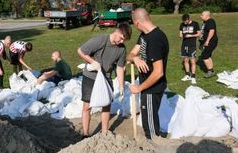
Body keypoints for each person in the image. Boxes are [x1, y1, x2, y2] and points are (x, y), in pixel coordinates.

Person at [77, 23, 132, 138]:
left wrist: (121, 86)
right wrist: (92, 62)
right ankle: (85, 134)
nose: (122, 41)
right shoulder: (100, 40)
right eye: (121, 38)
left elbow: (120, 67)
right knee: (87, 106)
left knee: (106, 105)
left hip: (106, 78)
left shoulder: (121, 49)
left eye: (124, 40)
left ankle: (104, 133)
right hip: (91, 76)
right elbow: (81, 51)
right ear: (117, 32)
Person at [127, 8, 169, 140]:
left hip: (152, 88)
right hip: (146, 86)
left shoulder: (156, 39)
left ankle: (154, 150)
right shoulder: (144, 36)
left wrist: (138, 88)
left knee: (150, 126)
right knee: (147, 118)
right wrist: (136, 58)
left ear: (137, 23)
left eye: (134, 23)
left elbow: (158, 72)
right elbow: (130, 55)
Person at [179, 14, 201, 84]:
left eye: (186, 21)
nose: (184, 23)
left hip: (192, 45)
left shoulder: (195, 24)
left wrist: (190, 35)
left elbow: (199, 34)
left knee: (193, 61)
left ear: (188, 19)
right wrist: (181, 35)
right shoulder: (182, 24)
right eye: (183, 21)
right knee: (185, 60)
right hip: (184, 45)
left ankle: (193, 77)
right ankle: (188, 75)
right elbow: (180, 34)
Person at [199, 11, 218, 78]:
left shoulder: (210, 21)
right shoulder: (205, 22)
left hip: (211, 42)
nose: (201, 16)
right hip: (206, 42)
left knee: (204, 56)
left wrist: (207, 41)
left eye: (202, 15)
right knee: (207, 56)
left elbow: (212, 31)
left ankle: (210, 72)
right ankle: (212, 71)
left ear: (207, 15)